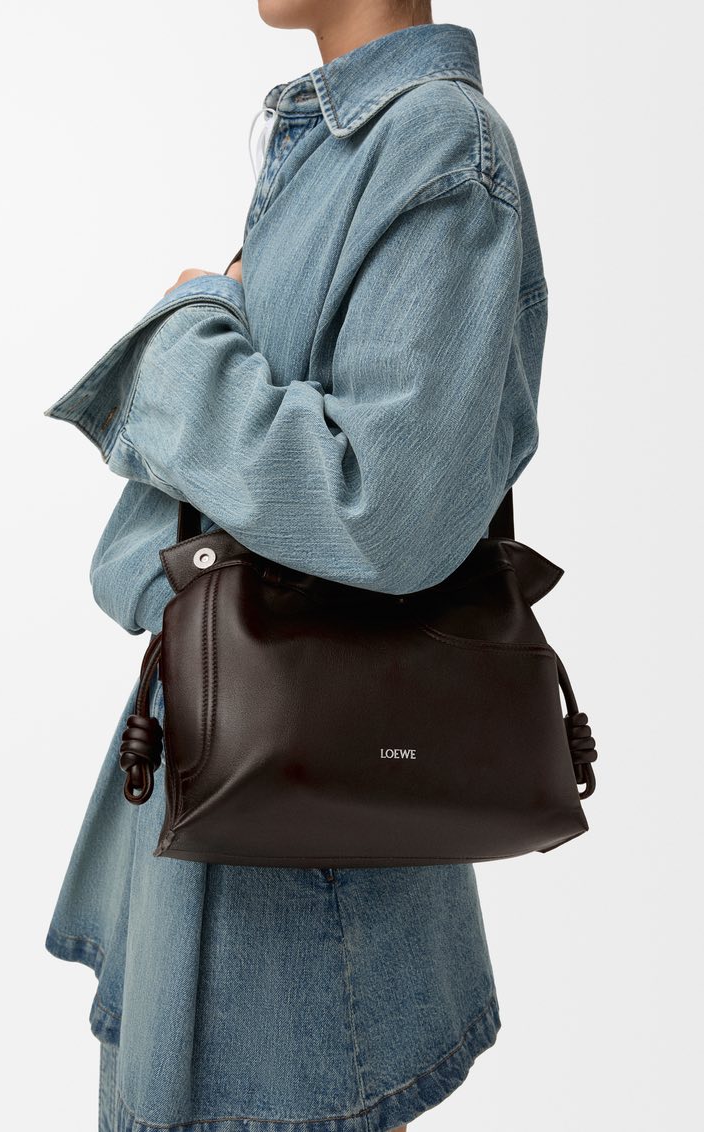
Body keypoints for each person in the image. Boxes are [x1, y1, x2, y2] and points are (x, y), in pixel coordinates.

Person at [44, 3, 550, 1129]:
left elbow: (384, 513)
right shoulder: (342, 143)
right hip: (238, 813)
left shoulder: (436, 144)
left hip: (302, 892)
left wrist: (187, 330)